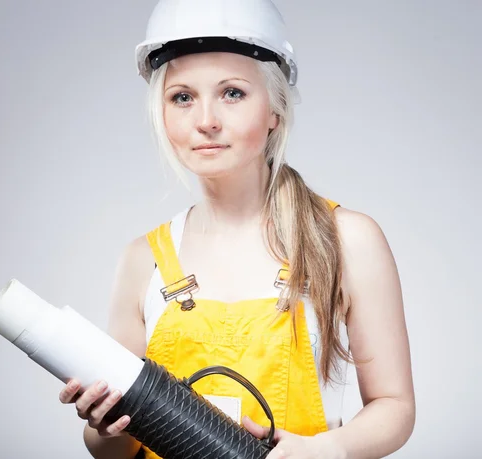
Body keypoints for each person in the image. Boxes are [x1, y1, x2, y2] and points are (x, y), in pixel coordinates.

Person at [59, 1, 415, 458]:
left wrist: (329, 450)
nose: (205, 120)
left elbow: (395, 406)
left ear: (275, 111)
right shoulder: (141, 261)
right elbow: (112, 452)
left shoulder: (347, 240)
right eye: (182, 97)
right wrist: (105, 428)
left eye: (232, 93)